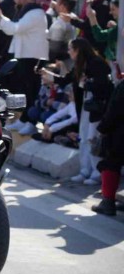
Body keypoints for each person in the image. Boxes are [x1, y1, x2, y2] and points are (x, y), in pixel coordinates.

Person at [41, 38, 112, 185]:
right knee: (84, 137)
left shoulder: (97, 63)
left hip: (97, 107)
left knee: (93, 138)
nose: (68, 52)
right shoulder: (79, 65)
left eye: (70, 49)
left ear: (78, 50)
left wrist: (87, 83)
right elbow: (66, 79)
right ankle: (85, 170)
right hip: (85, 105)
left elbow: (104, 85)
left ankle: (97, 172)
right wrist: (47, 74)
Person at [0, 0, 49, 135]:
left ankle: (31, 122)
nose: (14, 0)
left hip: (32, 56)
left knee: (31, 91)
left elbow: (15, 29)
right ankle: (24, 119)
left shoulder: (35, 13)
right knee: (25, 90)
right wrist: (0, 18)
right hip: (24, 55)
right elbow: (12, 29)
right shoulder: (27, 11)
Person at [92, 78, 124, 215]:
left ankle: (108, 201)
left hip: (120, 133)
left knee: (111, 163)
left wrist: (103, 128)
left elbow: (114, 109)